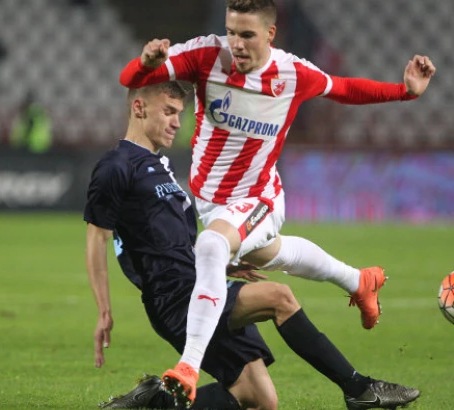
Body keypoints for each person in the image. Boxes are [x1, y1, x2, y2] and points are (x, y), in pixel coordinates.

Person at [119, 0, 436, 401]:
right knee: (270, 253)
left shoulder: (292, 74)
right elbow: (130, 78)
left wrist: (405, 92)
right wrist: (146, 63)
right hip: (212, 204)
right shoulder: (205, 55)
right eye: (231, 32)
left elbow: (344, 89)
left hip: (259, 198)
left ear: (270, 34)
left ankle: (188, 366)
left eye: (246, 34)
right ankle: (359, 281)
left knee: (212, 246)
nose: (236, 43)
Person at [85, 81, 420, 409]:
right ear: (139, 108)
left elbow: (163, 240)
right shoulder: (116, 166)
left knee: (259, 400)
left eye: (179, 113)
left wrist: (221, 262)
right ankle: (359, 389)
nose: (176, 122)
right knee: (279, 298)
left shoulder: (160, 166)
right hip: (173, 298)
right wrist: (103, 312)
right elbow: (97, 239)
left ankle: (156, 401)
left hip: (199, 286)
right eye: (168, 112)